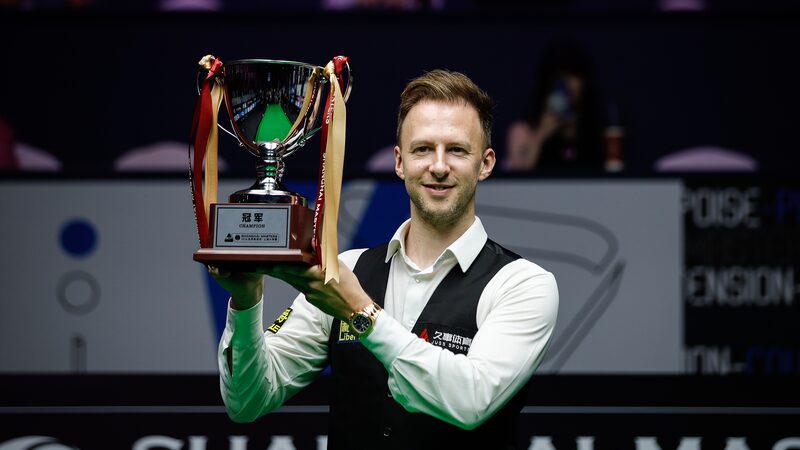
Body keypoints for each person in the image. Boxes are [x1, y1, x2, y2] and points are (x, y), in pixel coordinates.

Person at [211, 69, 559, 449]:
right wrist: (246, 302)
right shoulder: (347, 268)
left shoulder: (523, 284)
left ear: (486, 163)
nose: (439, 166)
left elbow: (470, 401)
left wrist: (360, 311)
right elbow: (246, 402)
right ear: (399, 162)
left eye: (457, 150)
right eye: (422, 149)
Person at [504, 40, 606, 172]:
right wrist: (541, 135)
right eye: (559, 77)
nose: (566, 84)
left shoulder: (600, 131)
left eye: (573, 75)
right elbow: (516, 183)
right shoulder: (522, 131)